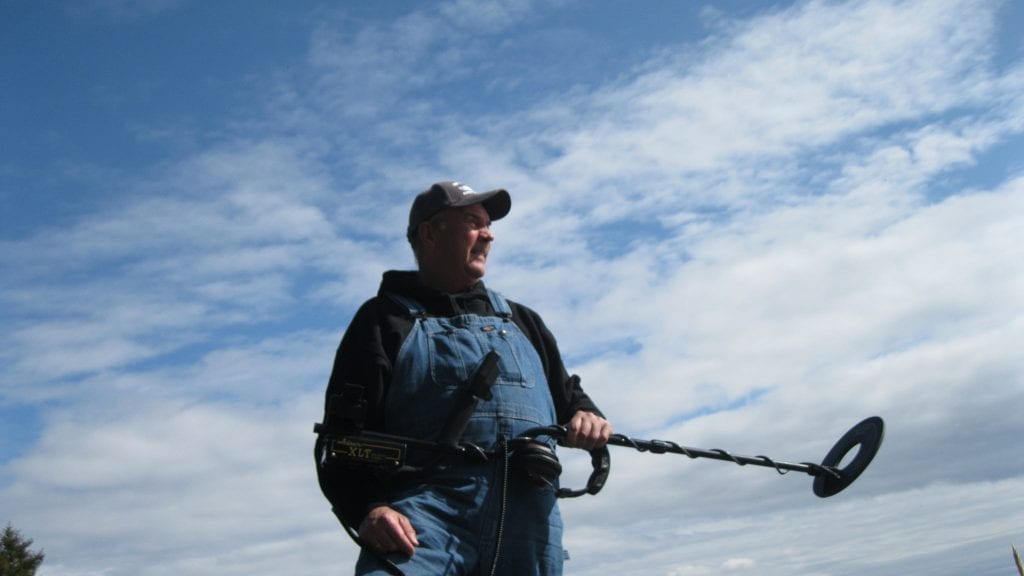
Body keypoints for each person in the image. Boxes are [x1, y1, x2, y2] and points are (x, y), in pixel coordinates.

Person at [315, 181, 613, 575]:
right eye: (474, 222)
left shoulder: (522, 320)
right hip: (424, 525)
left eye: (489, 225)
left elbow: (568, 396)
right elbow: (341, 438)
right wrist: (368, 508)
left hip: (530, 528)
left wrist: (586, 414)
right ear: (429, 233)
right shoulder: (384, 320)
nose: (488, 234)